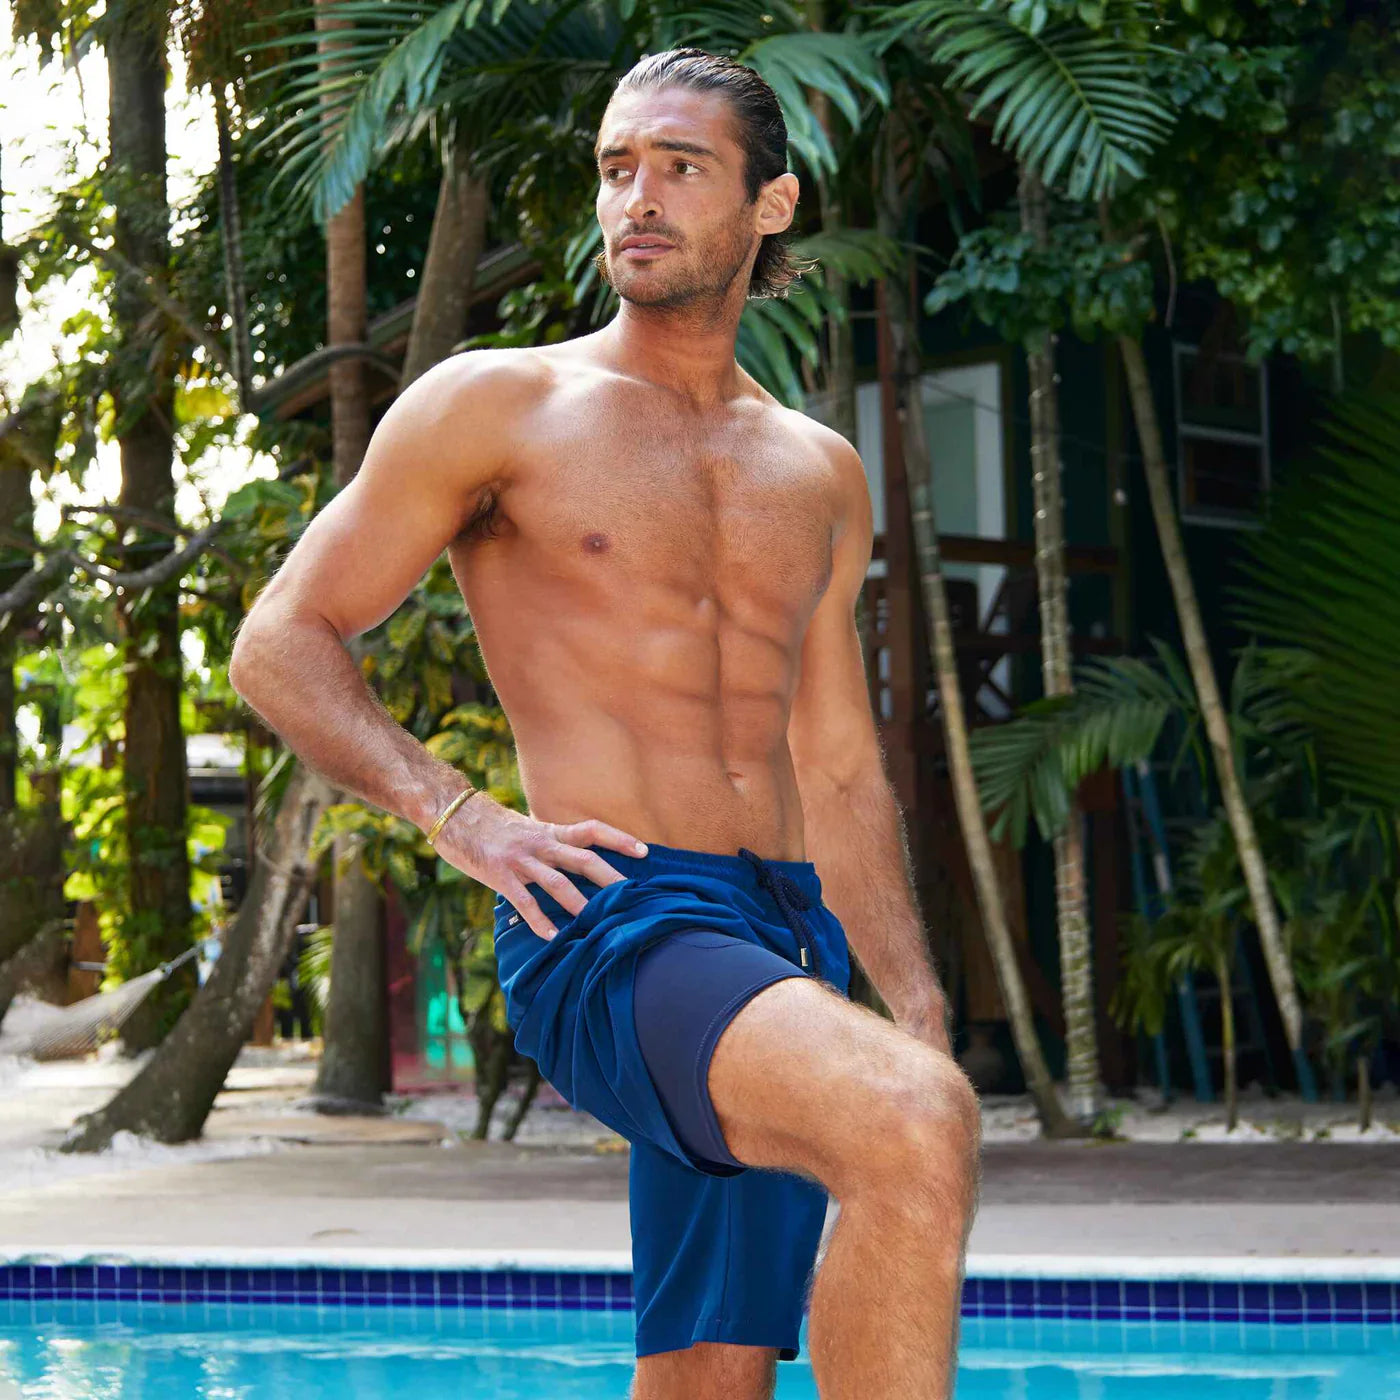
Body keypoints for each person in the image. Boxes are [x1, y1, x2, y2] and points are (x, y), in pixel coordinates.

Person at [229, 46, 979, 1400]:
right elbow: (280, 638)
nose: (635, 196)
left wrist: (912, 999)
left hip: (776, 931)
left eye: (680, 168)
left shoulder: (818, 471)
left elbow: (841, 763)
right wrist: (459, 816)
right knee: (912, 1125)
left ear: (773, 206)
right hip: (616, 920)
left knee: (711, 1369)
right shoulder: (501, 408)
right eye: (617, 168)